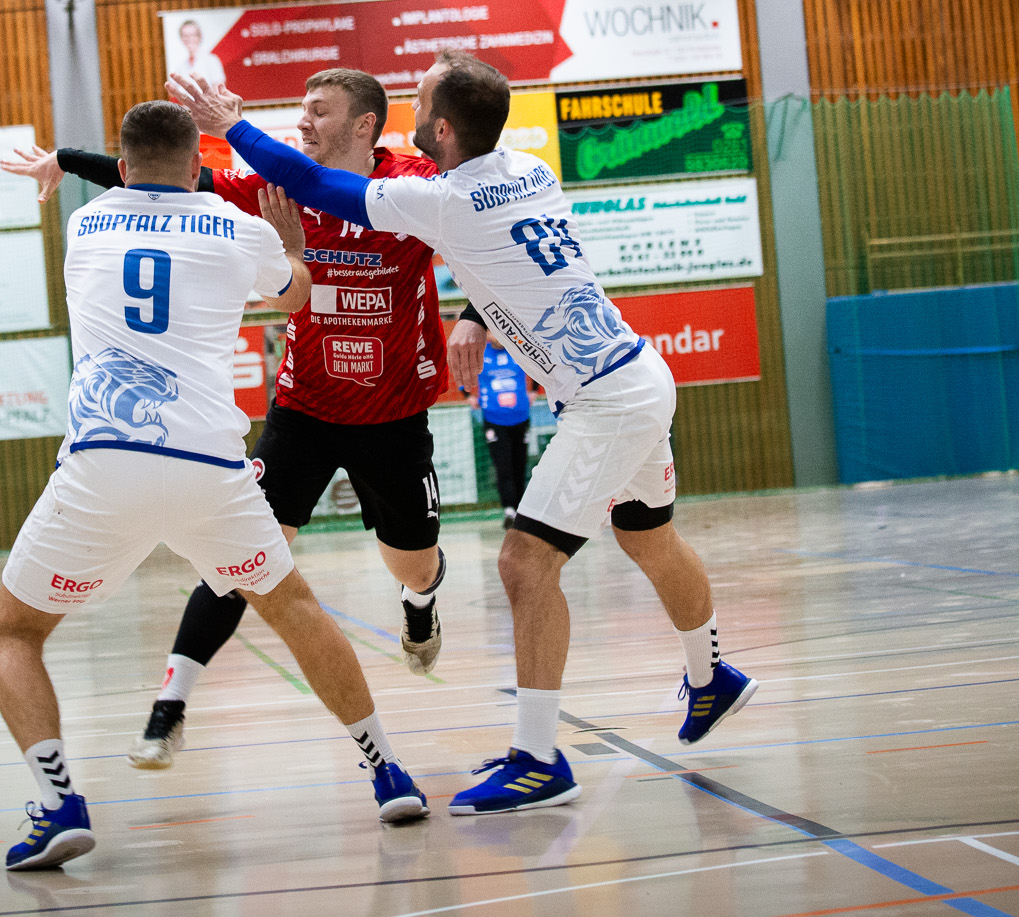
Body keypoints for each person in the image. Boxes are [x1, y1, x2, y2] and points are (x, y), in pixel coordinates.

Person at [169, 54, 757, 817]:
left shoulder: (443, 201)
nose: (410, 110)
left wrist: (230, 125)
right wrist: (475, 316)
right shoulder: (530, 170)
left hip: (606, 401)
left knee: (524, 563)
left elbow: (312, 184)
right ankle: (711, 675)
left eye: (418, 101)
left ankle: (539, 760)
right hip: (639, 371)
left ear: (441, 127)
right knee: (649, 538)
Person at [0, 100, 426, 872]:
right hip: (209, 466)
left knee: (14, 632)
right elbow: (295, 295)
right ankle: (387, 769)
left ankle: (59, 803)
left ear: (123, 169)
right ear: (197, 167)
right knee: (294, 609)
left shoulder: (84, 228)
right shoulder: (237, 227)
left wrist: (65, 160)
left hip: (104, 461)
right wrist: (292, 249)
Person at [474, 337, 535, 529]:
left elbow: (537, 367)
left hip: (520, 416)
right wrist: (467, 396)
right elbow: (459, 369)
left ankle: (521, 510)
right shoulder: (481, 352)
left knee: (520, 464)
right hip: (494, 418)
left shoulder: (517, 349)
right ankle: (509, 509)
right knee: (503, 465)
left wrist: (534, 390)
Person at [173, 19, 227, 87]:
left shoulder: (212, 60)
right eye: (185, 36)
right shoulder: (181, 67)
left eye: (192, 35)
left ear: (199, 36)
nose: (189, 38)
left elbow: (219, 88)